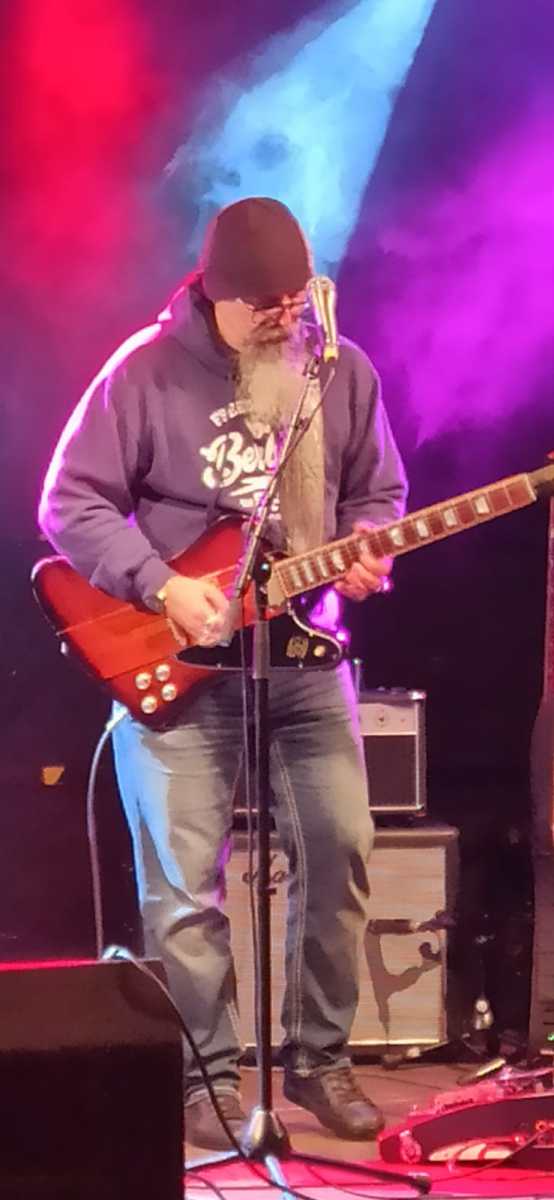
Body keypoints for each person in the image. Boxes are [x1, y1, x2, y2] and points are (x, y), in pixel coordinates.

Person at [39, 197, 408, 1151]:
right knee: (182, 888)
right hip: (181, 661)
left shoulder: (341, 371)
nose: (286, 319)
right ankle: (206, 1077)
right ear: (215, 293)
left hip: (304, 659)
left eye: (296, 301)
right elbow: (70, 502)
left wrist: (367, 545)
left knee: (342, 849)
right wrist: (162, 586)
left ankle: (319, 1062)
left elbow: (377, 491)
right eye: (265, 307)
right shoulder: (145, 371)